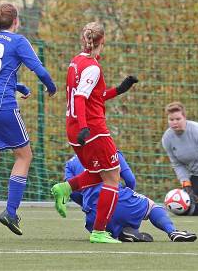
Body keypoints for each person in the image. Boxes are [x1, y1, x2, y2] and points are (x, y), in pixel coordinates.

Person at [51, 21, 138, 243]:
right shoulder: (92, 67)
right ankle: (99, 231)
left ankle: (64, 188)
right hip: (92, 130)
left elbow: (91, 97)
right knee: (113, 177)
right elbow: (81, 97)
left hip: (74, 127)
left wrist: (119, 90)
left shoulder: (76, 62)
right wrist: (85, 128)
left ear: (84, 39)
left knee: (99, 171)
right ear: (103, 41)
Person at [0, 3, 57, 240]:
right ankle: (11, 212)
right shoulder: (18, 40)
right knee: (24, 155)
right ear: (16, 21)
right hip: (3, 107)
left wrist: (18, 86)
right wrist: (51, 87)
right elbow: (39, 70)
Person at [64, 153, 197, 243]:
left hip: (94, 218)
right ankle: (172, 232)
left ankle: (123, 232)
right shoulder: (110, 151)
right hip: (119, 201)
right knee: (151, 206)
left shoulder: (70, 164)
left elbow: (71, 192)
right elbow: (130, 180)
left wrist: (90, 203)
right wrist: (127, 197)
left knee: (110, 214)